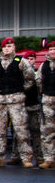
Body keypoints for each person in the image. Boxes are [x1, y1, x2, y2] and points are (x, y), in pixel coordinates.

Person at [0, 38, 35, 168]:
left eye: (10, 46)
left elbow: (30, 78)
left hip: (16, 100)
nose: (7, 48)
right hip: (1, 100)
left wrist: (20, 89)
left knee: (21, 130)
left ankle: (26, 158)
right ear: (2, 49)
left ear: (14, 47)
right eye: (5, 47)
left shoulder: (21, 61)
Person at [10, 50, 42, 165]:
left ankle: (39, 157)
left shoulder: (38, 72)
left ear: (35, 60)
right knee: (17, 132)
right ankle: (16, 155)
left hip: (34, 105)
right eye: (28, 59)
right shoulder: (19, 73)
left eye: (32, 59)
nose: (30, 61)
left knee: (36, 132)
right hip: (20, 105)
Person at [37, 41, 55, 169]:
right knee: (47, 131)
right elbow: (38, 81)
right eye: (51, 49)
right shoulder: (44, 65)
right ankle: (49, 159)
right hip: (48, 100)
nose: (52, 51)